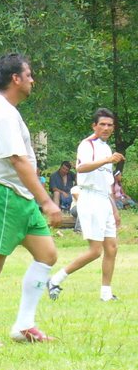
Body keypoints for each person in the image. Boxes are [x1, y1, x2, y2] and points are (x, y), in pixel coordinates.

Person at [0, 53, 61, 346]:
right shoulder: (2, 112)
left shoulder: (7, 109)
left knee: (47, 254)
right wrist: (46, 201)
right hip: (0, 194)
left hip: (18, 196)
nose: (33, 80)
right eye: (29, 74)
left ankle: (23, 325)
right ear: (15, 79)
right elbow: (19, 161)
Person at [47, 108, 124, 302]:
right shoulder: (87, 145)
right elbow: (81, 168)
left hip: (104, 200)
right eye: (102, 124)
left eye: (109, 125)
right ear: (94, 126)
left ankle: (106, 294)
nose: (106, 128)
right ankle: (55, 279)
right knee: (95, 251)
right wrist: (107, 159)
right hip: (89, 198)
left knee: (112, 248)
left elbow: (107, 183)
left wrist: (114, 210)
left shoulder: (106, 148)